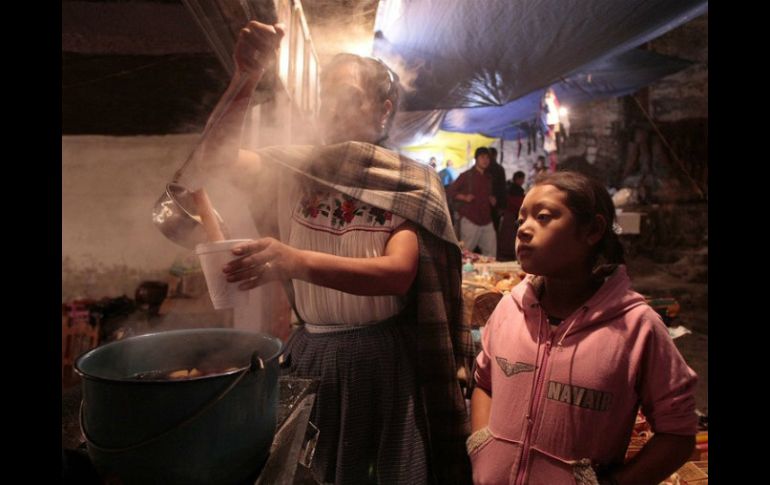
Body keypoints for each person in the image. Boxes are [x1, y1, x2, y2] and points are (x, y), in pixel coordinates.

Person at [187, 21, 473, 485]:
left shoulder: (407, 181)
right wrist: (245, 76)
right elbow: (215, 156)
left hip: (383, 359)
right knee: (310, 472)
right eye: (325, 98)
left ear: (383, 111)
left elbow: (397, 274)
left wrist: (294, 261)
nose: (332, 110)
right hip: (312, 352)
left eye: (349, 98)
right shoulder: (294, 170)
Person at [468, 171, 697, 484]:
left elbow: (679, 432)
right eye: (522, 218)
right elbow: (484, 382)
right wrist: (482, 446)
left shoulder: (636, 328)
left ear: (592, 230)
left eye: (544, 216)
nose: (523, 229)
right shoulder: (510, 309)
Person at [447, 147, 497, 258]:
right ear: (476, 159)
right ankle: (461, 275)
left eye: (487, 157)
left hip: (486, 220)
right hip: (470, 219)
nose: (485, 160)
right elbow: (450, 191)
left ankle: (487, 276)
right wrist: (464, 197)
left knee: (491, 255)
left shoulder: (488, 177)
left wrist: (490, 199)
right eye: (482, 157)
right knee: (465, 254)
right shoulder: (466, 176)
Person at [495, 171, 525, 261]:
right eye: (522, 179)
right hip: (512, 215)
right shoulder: (516, 189)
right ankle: (508, 255)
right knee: (510, 236)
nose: (523, 181)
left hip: (509, 214)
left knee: (507, 235)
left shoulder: (511, 187)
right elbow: (517, 203)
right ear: (518, 179)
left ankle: (506, 255)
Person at [486, 147, 508, 231]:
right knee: (493, 228)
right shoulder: (498, 169)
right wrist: (502, 206)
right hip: (494, 203)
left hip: (492, 203)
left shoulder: (488, 168)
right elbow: (503, 188)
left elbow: (502, 188)